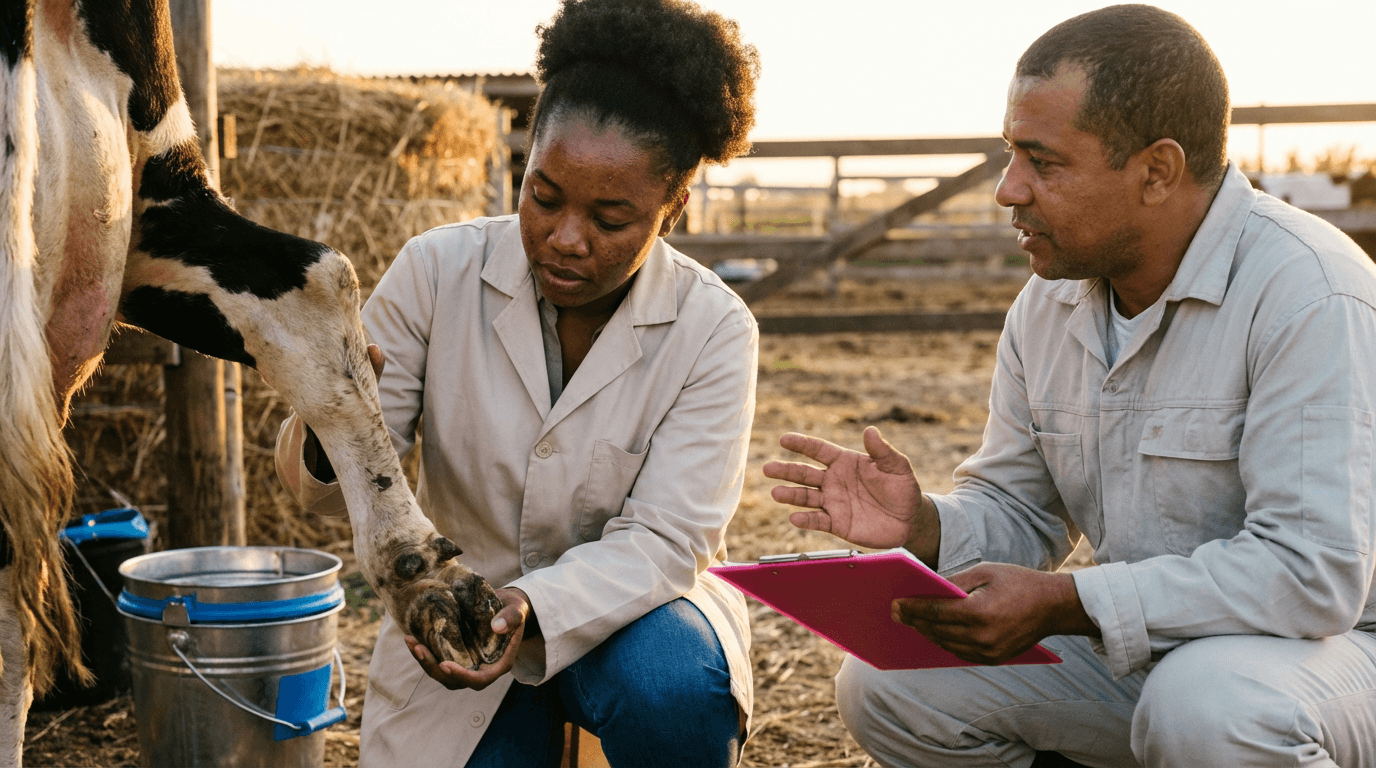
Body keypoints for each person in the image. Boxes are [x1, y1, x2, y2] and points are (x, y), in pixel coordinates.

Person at [764, 5, 1376, 767]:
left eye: (1043, 163)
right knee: (890, 683)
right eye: (1009, 154)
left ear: (1157, 170)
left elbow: (1310, 577)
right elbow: (1019, 511)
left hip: (1334, 656)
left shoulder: (1309, 292)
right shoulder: (1050, 303)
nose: (1008, 191)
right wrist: (920, 526)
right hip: (1160, 653)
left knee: (1211, 705)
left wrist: (1072, 602)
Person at [273, 1, 761, 765]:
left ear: (672, 212)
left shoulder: (714, 328)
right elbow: (330, 491)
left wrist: (535, 604)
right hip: (458, 624)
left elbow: (668, 537)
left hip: (637, 617)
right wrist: (332, 415)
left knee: (670, 691)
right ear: (524, 167)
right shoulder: (437, 272)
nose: (567, 238)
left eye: (612, 217)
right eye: (544, 196)